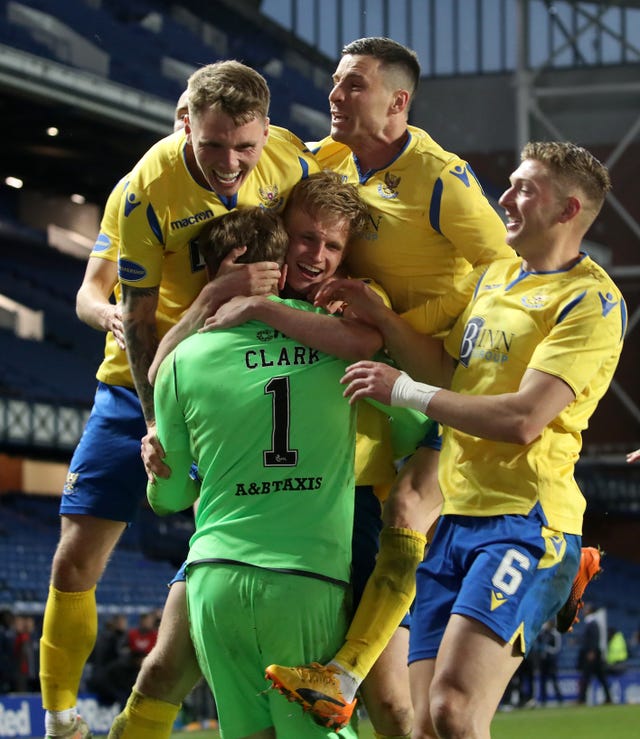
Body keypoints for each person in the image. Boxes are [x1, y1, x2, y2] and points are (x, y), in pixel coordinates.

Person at [268, 141, 626, 738]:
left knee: (455, 711)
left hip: (525, 519)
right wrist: (381, 320)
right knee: (424, 725)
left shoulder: (590, 299)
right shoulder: (497, 275)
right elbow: (447, 371)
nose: (505, 198)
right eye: (509, 183)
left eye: (524, 189)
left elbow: (522, 419)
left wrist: (401, 390)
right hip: (454, 520)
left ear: (567, 211)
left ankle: (567, 564)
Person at [39, 60, 318, 739]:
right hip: (143, 382)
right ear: (184, 123)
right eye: (214, 144)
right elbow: (134, 321)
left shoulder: (289, 158)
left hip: (241, 381)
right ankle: (60, 719)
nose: (231, 163)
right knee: (76, 553)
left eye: (244, 147)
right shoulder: (146, 190)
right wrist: (158, 417)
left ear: (267, 132)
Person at [109, 170, 430, 738]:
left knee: (388, 701)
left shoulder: (352, 305)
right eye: (307, 238)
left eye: (333, 246)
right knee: (160, 668)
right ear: (281, 239)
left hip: (344, 511)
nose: (318, 256)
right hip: (261, 534)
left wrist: (256, 309)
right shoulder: (225, 317)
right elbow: (161, 375)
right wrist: (215, 298)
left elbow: (375, 357)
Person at [300, 37, 513, 736]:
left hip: (432, 367)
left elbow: (510, 272)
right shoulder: (327, 159)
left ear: (398, 102)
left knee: (410, 510)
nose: (336, 95)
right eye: (335, 82)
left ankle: (343, 674)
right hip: (366, 368)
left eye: (353, 85)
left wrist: (425, 333)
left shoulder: (440, 178)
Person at [147, 204, 364, 739]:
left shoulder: (182, 359)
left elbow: (168, 498)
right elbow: (408, 431)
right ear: (283, 269)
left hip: (215, 578)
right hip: (306, 578)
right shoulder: (335, 342)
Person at [578, 604, 612, 704]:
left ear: (590, 611)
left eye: (586, 609)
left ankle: (582, 699)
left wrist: (591, 651)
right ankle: (608, 698)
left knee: (586, 676)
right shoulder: (591, 622)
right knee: (600, 677)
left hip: (592, 654)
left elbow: (594, 637)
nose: (583, 611)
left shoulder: (592, 623)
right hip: (594, 654)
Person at [536, 620, 563, 705]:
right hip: (543, 661)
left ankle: (559, 698)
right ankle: (543, 700)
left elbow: (557, 649)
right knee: (542, 681)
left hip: (551, 661)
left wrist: (547, 649)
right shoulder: (543, 633)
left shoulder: (555, 634)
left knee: (554, 680)